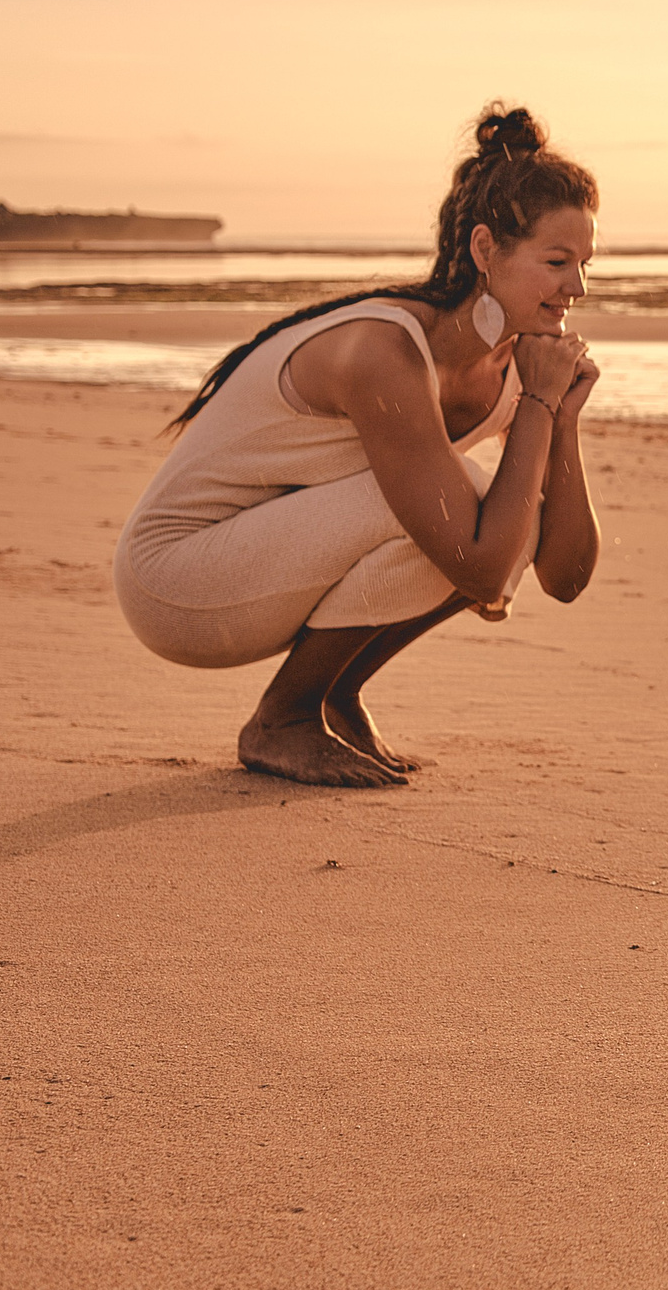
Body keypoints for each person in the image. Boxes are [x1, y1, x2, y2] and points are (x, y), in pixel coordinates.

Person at [113, 103, 604, 787]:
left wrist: (560, 416)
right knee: (462, 504)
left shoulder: (517, 369)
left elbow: (564, 573)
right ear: (487, 251)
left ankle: (335, 694)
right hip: (176, 579)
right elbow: (484, 569)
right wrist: (539, 407)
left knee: (492, 511)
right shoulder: (382, 350)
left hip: (267, 565)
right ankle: (283, 717)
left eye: (584, 263)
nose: (576, 286)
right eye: (557, 260)